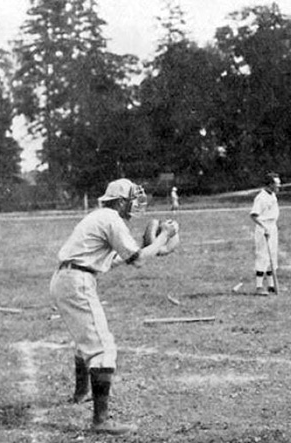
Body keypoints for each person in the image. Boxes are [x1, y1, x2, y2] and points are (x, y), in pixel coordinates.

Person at [49, 178, 180, 435]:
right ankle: (101, 421)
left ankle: (80, 393)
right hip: (77, 281)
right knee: (103, 347)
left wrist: (153, 246)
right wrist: (164, 235)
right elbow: (138, 261)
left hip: (65, 279)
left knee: (86, 338)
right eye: (132, 200)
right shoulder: (112, 219)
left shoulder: (101, 216)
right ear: (121, 201)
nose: (135, 205)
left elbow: (123, 257)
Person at [250, 172, 281, 295]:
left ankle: (271, 285)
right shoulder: (261, 197)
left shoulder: (273, 195)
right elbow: (253, 215)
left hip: (272, 227)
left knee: (272, 255)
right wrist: (264, 227)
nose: (279, 186)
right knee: (263, 255)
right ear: (269, 184)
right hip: (263, 228)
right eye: (277, 184)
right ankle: (259, 287)